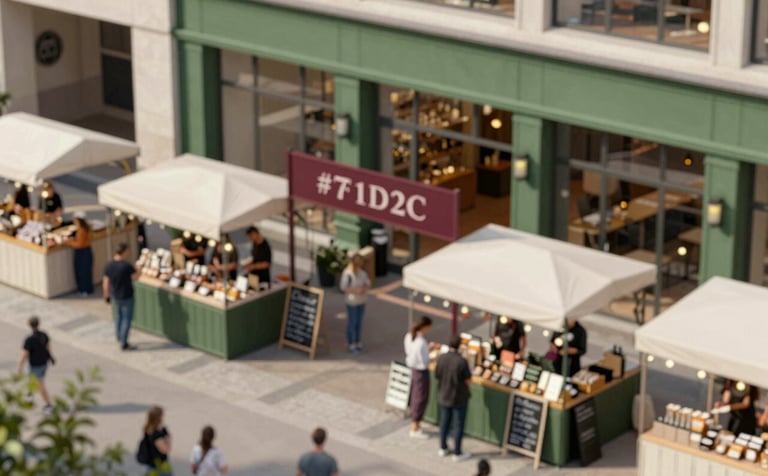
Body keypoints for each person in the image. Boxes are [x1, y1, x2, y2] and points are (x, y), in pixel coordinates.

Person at [435, 335, 472, 462]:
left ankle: (443, 447)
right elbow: (468, 380)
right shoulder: (462, 361)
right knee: (458, 425)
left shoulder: (441, 358)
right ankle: (457, 452)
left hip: (444, 395)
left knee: (444, 423)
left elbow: (437, 375)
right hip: (458, 398)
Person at [103, 242, 140, 350]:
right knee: (126, 319)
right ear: (124, 252)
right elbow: (136, 277)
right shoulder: (126, 266)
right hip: (127, 295)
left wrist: (107, 295)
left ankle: (118, 335)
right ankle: (124, 343)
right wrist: (139, 268)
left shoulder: (109, 265)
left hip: (116, 295)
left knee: (118, 317)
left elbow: (106, 282)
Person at [404, 316, 435, 438]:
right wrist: (431, 358)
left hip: (414, 369)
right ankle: (415, 426)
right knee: (420, 397)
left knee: (417, 396)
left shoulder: (410, 337)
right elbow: (423, 360)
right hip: (420, 371)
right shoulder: (420, 342)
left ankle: (416, 424)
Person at [16, 316, 54, 411]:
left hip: (36, 365)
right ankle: (29, 395)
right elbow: (48, 348)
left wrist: (20, 366)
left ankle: (48, 404)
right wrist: (51, 358)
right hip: (44, 363)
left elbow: (25, 354)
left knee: (40, 385)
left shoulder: (30, 339)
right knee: (32, 379)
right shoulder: (44, 335)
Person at [340, 253, 370, 353]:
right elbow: (344, 287)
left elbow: (367, 282)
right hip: (352, 301)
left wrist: (364, 288)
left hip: (361, 300)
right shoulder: (348, 274)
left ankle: (358, 341)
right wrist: (356, 291)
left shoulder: (362, 273)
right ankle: (351, 343)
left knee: (359, 322)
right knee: (352, 322)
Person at [67, 212, 93, 296]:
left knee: (83, 272)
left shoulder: (82, 231)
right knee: (84, 271)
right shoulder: (85, 229)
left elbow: (79, 244)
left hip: (82, 253)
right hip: (86, 252)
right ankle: (85, 288)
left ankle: (84, 289)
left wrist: (69, 242)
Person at [142, 406, 172, 475]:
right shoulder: (156, 434)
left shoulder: (147, 429)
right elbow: (165, 450)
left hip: (151, 464)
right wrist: (169, 439)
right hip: (160, 466)